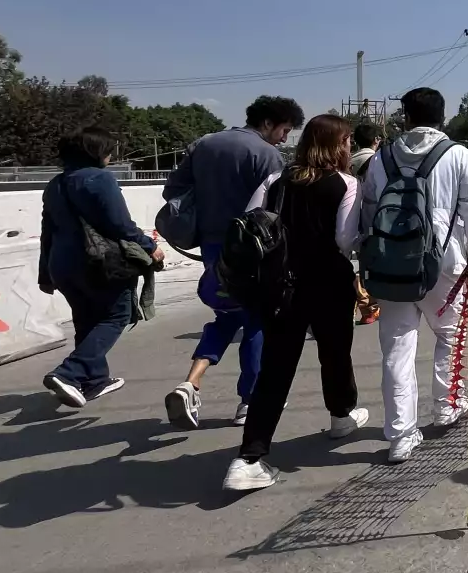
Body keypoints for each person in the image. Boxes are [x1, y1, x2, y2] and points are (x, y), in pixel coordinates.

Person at [223, 114, 371, 491]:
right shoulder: (346, 184)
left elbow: (251, 223)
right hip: (329, 283)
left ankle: (250, 456)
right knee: (335, 353)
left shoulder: (276, 180)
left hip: (280, 286)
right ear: (337, 145)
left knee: (275, 368)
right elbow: (344, 240)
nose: (350, 146)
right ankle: (341, 415)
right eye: (347, 140)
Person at [162, 94, 304, 429]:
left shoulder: (204, 144)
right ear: (267, 123)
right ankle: (250, 399)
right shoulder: (266, 154)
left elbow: (173, 192)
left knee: (227, 315)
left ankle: (191, 383)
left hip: (212, 248)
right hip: (253, 251)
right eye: (284, 130)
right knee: (257, 321)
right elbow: (277, 209)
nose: (284, 138)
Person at [360, 87, 468, 463]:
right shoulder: (457, 154)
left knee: (397, 349)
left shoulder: (382, 157)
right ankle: (447, 407)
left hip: (391, 267)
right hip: (443, 264)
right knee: (450, 335)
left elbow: (369, 211)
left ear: (406, 116)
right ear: (441, 117)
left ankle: (400, 435)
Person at [38, 126, 163, 407]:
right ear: (94, 151)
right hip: (99, 263)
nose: (111, 155)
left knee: (86, 320)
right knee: (116, 316)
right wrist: (150, 246)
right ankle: (68, 372)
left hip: (62, 265)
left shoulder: (55, 184)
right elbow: (120, 225)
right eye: (109, 149)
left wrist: (45, 274)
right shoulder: (100, 178)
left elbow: (47, 231)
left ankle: (95, 380)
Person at [349, 123, 384, 324]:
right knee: (373, 265)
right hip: (372, 220)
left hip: (351, 219)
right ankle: (371, 306)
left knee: (358, 266)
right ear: (375, 140)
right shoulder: (377, 161)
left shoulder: (349, 160)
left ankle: (361, 307)